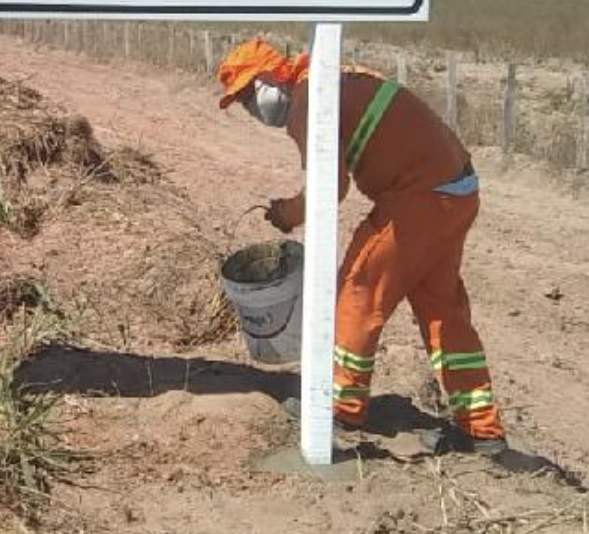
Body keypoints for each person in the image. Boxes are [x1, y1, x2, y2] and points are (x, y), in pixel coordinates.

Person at [216, 38, 507, 456]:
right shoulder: (337, 76)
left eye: (249, 95)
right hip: (456, 190)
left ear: (271, 77)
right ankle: (481, 429)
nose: (251, 109)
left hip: (419, 197)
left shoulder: (307, 101)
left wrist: (286, 214)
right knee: (442, 311)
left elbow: (328, 187)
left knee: (357, 291)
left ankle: (340, 403)